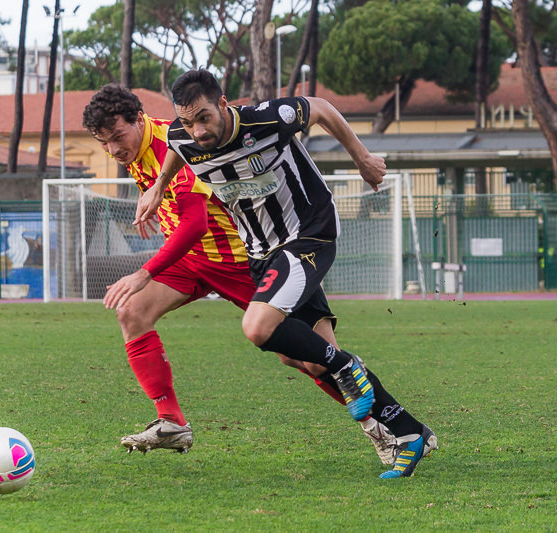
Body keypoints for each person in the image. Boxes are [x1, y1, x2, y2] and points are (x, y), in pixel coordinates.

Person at [138, 69, 437, 479]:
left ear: (223, 104)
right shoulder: (183, 134)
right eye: (189, 121)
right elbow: (176, 144)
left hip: (308, 234)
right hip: (260, 252)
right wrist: (158, 187)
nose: (198, 130)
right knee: (306, 360)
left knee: (258, 327)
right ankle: (409, 431)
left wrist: (363, 158)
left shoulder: (267, 118)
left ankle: (348, 366)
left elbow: (323, 109)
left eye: (204, 117)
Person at [82, 84, 398, 464]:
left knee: (308, 359)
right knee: (132, 312)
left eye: (117, 137)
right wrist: (153, 196)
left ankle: (388, 427)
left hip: (240, 259)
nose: (114, 149)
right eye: (104, 143)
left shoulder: (176, 140)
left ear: (139, 119)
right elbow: (172, 199)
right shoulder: (137, 149)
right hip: (192, 263)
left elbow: (196, 223)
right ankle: (171, 421)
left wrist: (143, 273)